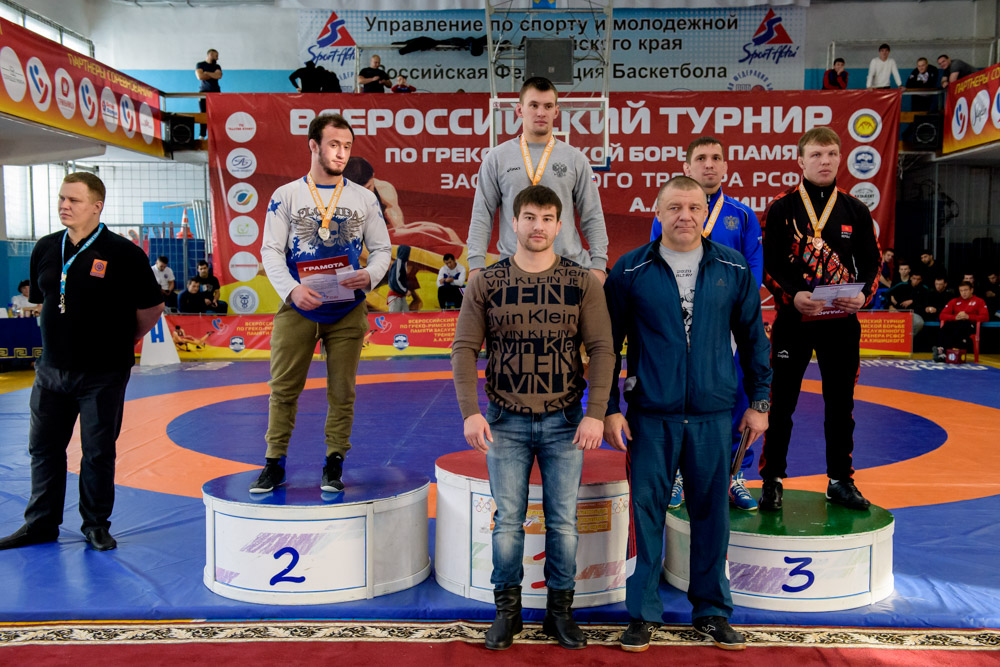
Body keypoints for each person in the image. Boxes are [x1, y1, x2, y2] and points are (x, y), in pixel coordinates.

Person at [603, 176, 771, 652]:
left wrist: (760, 403)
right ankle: (642, 613)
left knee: (712, 515)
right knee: (646, 515)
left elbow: (755, 340)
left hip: (713, 415)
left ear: (705, 212)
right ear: (657, 213)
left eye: (694, 207)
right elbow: (607, 345)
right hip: (650, 416)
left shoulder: (732, 266)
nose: (685, 215)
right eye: (675, 207)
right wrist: (610, 409)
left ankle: (712, 610)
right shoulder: (631, 268)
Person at [451, 184, 615, 651]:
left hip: (566, 421)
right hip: (505, 421)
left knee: (564, 523)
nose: (537, 226)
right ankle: (508, 613)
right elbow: (463, 348)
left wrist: (595, 414)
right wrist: (470, 412)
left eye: (546, 218)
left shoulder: (581, 281)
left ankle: (559, 614)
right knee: (508, 522)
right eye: (529, 217)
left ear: (559, 226)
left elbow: (603, 349)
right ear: (514, 222)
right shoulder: (487, 281)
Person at [0, 173, 163, 552]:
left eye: (73, 200)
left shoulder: (123, 253)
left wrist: (124, 340)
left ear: (96, 206)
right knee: (43, 449)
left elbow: (152, 307)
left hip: (102, 373)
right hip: (51, 371)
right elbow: (45, 299)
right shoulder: (45, 247)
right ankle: (41, 524)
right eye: (61, 198)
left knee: (97, 451)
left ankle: (95, 525)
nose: (64, 205)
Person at [252, 114, 391, 494]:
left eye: (347, 146)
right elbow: (270, 250)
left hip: (347, 308)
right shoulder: (286, 195)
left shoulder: (363, 197)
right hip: (299, 306)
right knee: (283, 388)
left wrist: (371, 274)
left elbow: (383, 248)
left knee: (342, 391)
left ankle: (334, 461)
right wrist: (291, 290)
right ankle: (274, 462)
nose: (341, 153)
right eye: (333, 145)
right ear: (313, 145)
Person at [759, 126, 881, 512]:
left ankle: (840, 480)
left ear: (840, 158)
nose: (824, 161)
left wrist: (863, 295)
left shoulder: (855, 209)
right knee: (781, 402)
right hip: (794, 320)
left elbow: (873, 262)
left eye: (830, 154)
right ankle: (772, 479)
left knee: (841, 404)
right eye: (816, 154)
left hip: (841, 321)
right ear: (801, 160)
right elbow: (768, 263)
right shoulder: (781, 208)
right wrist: (791, 295)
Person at [649, 136, 764, 512]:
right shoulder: (668, 213)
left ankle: (735, 473)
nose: (709, 164)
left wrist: (730, 310)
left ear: (726, 166)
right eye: (701, 158)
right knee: (679, 399)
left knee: (737, 400)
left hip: (727, 325)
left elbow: (753, 268)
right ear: (686, 167)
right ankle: (678, 474)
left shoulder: (742, 215)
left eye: (716, 158)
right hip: (681, 324)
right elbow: (657, 263)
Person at [467, 77, 608, 286]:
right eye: (533, 105)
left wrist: (599, 263)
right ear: (519, 110)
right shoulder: (497, 158)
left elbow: (592, 214)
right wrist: (476, 264)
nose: (541, 112)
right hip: (513, 271)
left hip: (568, 269)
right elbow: (482, 213)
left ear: (556, 112)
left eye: (548, 106)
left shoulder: (575, 159)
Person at [935, 282, 988, 358]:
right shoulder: (954, 301)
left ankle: (949, 351)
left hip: (970, 325)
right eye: (961, 291)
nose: (963, 293)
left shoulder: (979, 301)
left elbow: (985, 317)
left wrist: (968, 316)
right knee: (946, 326)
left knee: (961, 325)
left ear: (971, 290)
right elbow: (942, 315)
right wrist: (955, 317)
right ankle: (941, 349)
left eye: (965, 290)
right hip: (955, 323)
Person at [195, 48, 222, 139]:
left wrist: (206, 73)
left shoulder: (217, 66)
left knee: (215, 114)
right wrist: (212, 75)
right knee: (203, 114)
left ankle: (214, 135)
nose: (217, 58)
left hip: (216, 93)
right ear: (210, 54)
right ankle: (202, 135)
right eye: (216, 56)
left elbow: (218, 75)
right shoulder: (200, 64)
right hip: (203, 93)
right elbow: (200, 76)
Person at [386, 244, 421, 312]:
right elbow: (395, 280)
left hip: (400, 295)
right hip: (395, 296)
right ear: (405, 253)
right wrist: (405, 290)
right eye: (408, 253)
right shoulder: (398, 263)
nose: (409, 255)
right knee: (395, 316)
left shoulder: (402, 263)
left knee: (405, 315)